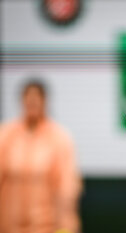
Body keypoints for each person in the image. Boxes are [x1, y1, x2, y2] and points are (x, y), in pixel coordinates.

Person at [0, 80, 82, 233]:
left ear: (45, 101)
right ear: (22, 101)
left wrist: (67, 226)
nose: (32, 104)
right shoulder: (5, 135)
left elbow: (67, 188)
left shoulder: (59, 137)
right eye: (28, 99)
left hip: (45, 227)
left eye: (36, 99)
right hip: (8, 226)